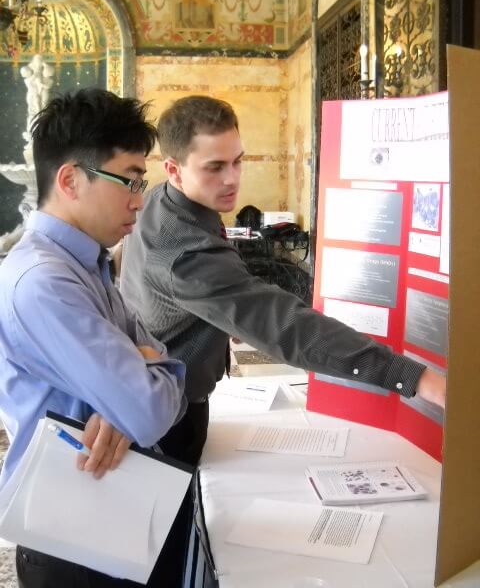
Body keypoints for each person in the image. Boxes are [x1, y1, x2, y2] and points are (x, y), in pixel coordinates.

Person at [120, 94, 447, 468]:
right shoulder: (184, 251)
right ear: (174, 169)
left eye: (237, 161)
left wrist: (214, 313)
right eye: (214, 167)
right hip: (171, 416)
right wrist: (414, 377)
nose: (232, 179)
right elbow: (284, 327)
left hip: (157, 385)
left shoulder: (162, 199)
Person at [0, 88, 187, 588]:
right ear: (69, 179)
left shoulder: (85, 263)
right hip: (71, 541)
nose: (139, 199)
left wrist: (137, 378)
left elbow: (151, 378)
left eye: (141, 181)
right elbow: (149, 409)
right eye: (128, 179)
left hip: (108, 514)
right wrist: (143, 376)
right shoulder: (45, 282)